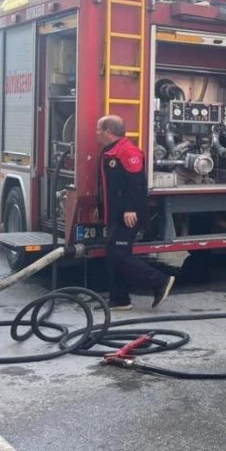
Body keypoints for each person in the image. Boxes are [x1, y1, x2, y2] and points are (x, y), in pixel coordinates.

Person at [96, 115, 174, 310]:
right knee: (113, 253)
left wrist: (130, 209)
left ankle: (159, 282)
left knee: (119, 254)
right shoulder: (111, 151)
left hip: (129, 215)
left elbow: (136, 184)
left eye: (98, 129)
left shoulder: (128, 152)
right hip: (116, 214)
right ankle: (119, 299)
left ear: (108, 131)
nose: (96, 133)